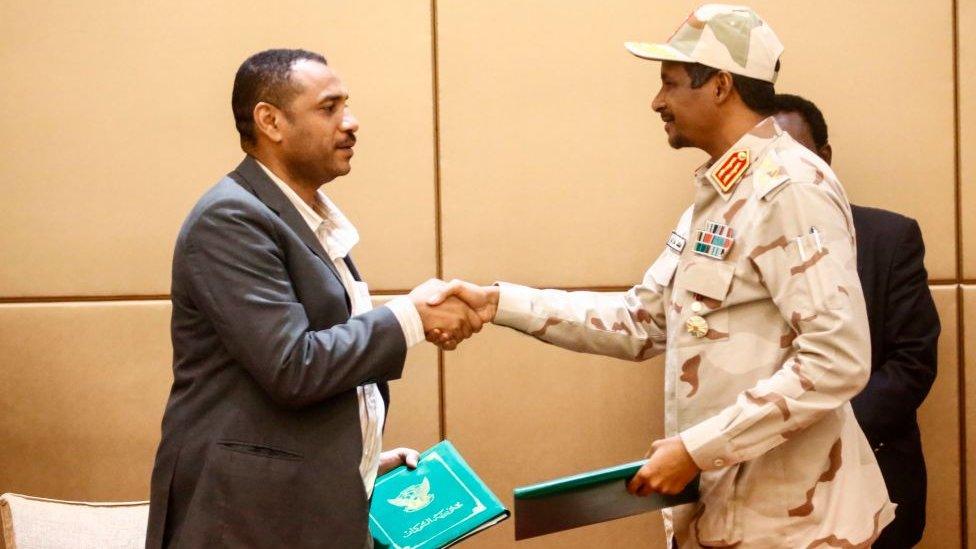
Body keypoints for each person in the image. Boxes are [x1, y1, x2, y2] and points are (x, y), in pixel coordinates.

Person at [429, 5, 894, 547]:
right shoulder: (720, 194)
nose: (657, 102)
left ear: (720, 85)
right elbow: (642, 320)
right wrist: (497, 303)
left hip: (794, 528)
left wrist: (696, 449)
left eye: (669, 84)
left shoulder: (789, 186)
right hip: (729, 515)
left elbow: (837, 358)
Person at [146, 49, 481, 548]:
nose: (352, 123)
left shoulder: (297, 218)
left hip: (294, 509)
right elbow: (294, 367)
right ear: (271, 122)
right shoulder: (232, 220)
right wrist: (412, 317)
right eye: (330, 108)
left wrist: (355, 461)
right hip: (243, 526)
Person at [774, 93, 940, 548]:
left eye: (794, 155)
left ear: (825, 158)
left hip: (872, 477)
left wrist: (816, 438)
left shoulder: (889, 238)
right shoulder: (739, 243)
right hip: (765, 493)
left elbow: (912, 363)